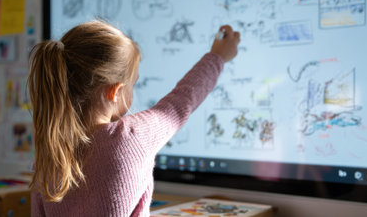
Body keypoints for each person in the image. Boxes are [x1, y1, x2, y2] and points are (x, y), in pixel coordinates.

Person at [29, 20, 240, 216]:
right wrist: (217, 57)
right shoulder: (129, 138)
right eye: (133, 83)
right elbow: (182, 100)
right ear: (115, 91)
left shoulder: (48, 156)